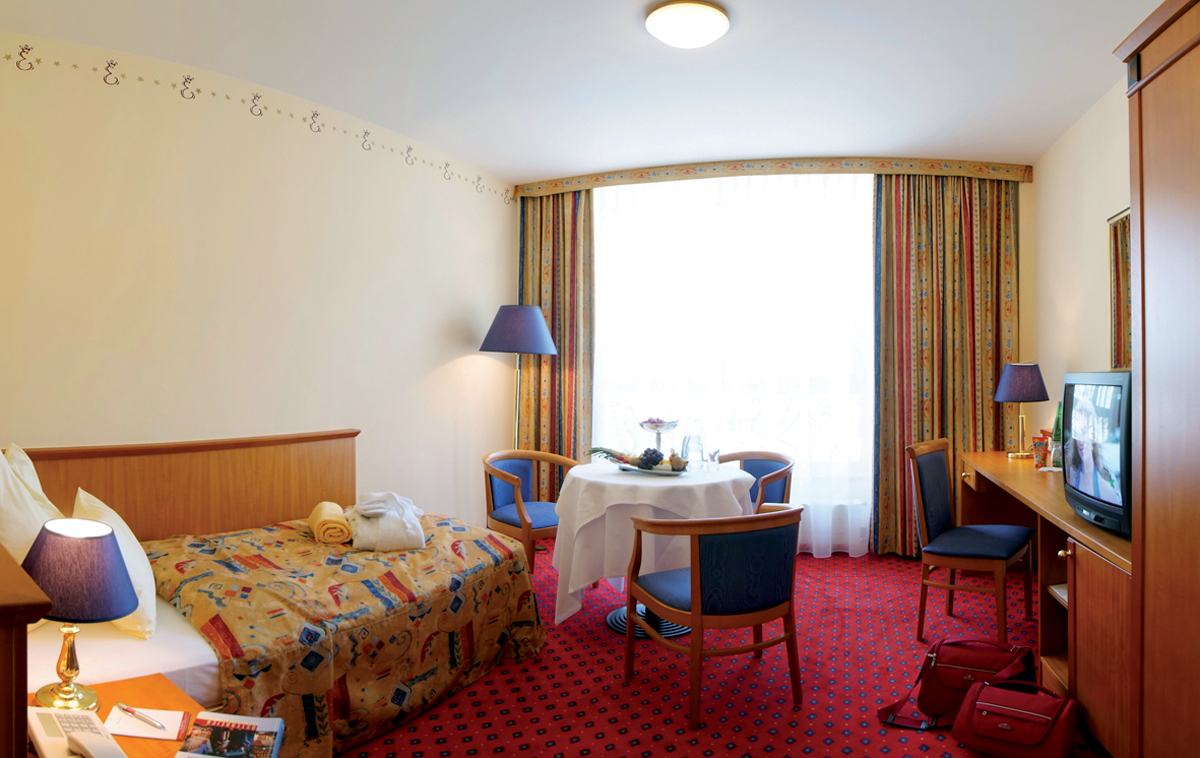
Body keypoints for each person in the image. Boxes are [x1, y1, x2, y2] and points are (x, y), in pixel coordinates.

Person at [1065, 393, 1121, 505]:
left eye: (1084, 432)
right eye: (1077, 433)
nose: (1081, 440)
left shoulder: (1107, 488)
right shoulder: (1071, 472)